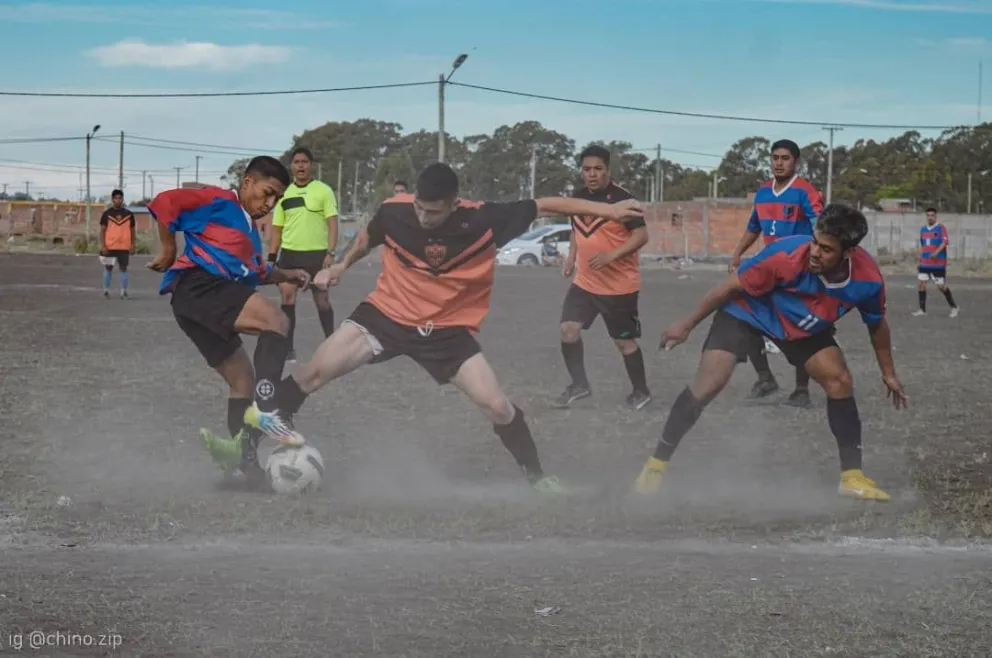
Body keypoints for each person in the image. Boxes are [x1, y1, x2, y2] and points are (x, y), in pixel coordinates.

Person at [222, 162, 644, 494]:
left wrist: (609, 210)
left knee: (497, 405)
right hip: (387, 314)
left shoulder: (486, 219)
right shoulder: (396, 211)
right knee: (312, 373)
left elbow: (549, 204)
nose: (424, 217)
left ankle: (538, 479)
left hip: (446, 331)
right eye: (420, 208)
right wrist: (341, 266)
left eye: (434, 211)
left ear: (454, 204)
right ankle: (244, 448)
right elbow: (369, 235)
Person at [636, 204, 907, 502]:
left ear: (849, 252)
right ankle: (656, 465)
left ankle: (852, 478)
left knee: (839, 380)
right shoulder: (786, 255)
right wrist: (686, 325)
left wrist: (889, 374)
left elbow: (876, 324)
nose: (815, 252)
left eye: (827, 249)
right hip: (746, 313)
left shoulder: (868, 280)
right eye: (815, 242)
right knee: (709, 383)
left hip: (800, 326)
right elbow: (728, 288)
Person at [145, 156, 312, 490]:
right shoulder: (221, 201)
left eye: (277, 199)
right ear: (247, 182)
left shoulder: (249, 232)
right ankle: (268, 408)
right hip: (200, 285)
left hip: (192, 304)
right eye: (267, 193)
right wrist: (168, 248)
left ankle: (243, 466)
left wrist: (289, 274)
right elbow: (165, 203)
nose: (270, 204)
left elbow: (258, 272)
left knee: (242, 380)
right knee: (277, 320)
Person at [553, 145, 652, 411]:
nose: (592, 174)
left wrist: (611, 255)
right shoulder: (578, 198)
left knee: (623, 342)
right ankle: (579, 385)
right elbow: (576, 229)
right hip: (585, 283)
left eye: (598, 169)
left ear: (608, 170)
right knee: (568, 330)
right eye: (587, 169)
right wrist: (571, 256)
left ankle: (641, 391)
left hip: (619, 287)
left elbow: (641, 236)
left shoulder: (623, 200)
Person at [729, 139, 825, 409]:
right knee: (744, 316)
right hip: (769, 269)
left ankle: (801, 390)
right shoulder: (762, 192)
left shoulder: (805, 191)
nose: (779, 163)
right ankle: (765, 377)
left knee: (802, 329)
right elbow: (754, 227)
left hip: (799, 272)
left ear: (796, 162)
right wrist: (737, 253)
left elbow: (821, 228)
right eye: (775, 158)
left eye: (785, 158)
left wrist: (819, 258)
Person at [268, 147, 339, 363]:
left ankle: (331, 344)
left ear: (311, 165)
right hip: (289, 256)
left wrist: (330, 252)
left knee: (322, 301)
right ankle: (287, 348)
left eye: (304, 162)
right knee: (287, 298)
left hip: (317, 256)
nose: (300, 165)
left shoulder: (324, 191)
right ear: (291, 166)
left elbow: (332, 224)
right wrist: (272, 257)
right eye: (297, 162)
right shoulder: (283, 194)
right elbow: (277, 229)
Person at [913, 207, 959, 318]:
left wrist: (936, 253)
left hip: (938, 263)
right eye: (928, 215)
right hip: (925, 263)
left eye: (932, 215)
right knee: (921, 285)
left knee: (940, 286)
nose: (930, 217)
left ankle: (954, 307)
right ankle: (922, 310)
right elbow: (923, 246)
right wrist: (920, 259)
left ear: (935, 216)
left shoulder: (940, 228)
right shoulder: (923, 229)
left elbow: (945, 242)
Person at [99, 189, 136, 299]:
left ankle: (123, 292)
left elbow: (132, 231)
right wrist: (103, 246)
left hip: (124, 247)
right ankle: (106, 291)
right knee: (108, 268)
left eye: (120, 198)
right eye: (116, 198)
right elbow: (102, 231)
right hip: (110, 247)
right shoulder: (107, 214)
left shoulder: (129, 214)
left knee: (123, 269)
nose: (118, 200)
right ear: (112, 199)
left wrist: (133, 245)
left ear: (123, 199)